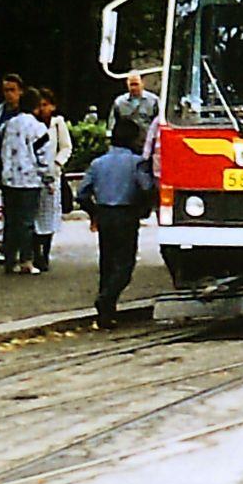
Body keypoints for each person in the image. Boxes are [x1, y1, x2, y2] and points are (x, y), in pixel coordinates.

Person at [77, 119, 156, 329]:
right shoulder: (137, 162)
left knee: (107, 263)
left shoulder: (98, 163)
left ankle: (105, 314)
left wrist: (93, 212)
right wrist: (144, 207)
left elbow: (82, 193)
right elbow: (146, 187)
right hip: (126, 214)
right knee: (125, 264)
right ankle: (106, 298)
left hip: (104, 214)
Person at [0, 87, 54, 274]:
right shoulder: (38, 128)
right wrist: (48, 178)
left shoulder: (7, 126)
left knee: (11, 221)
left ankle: (9, 259)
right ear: (36, 107)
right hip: (29, 180)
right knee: (27, 222)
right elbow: (43, 156)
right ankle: (26, 260)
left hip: (9, 179)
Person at [33, 89, 72, 272]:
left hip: (51, 176)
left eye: (45, 105)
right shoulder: (31, 124)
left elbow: (66, 147)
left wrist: (57, 163)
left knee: (48, 217)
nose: (42, 109)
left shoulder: (58, 124)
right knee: (33, 216)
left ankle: (45, 253)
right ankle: (34, 253)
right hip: (33, 175)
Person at [107, 74, 160, 147]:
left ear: (142, 83)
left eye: (136, 84)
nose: (134, 88)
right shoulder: (120, 102)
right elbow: (112, 124)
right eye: (131, 85)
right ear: (127, 84)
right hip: (126, 143)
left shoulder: (153, 100)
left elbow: (158, 122)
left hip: (147, 142)